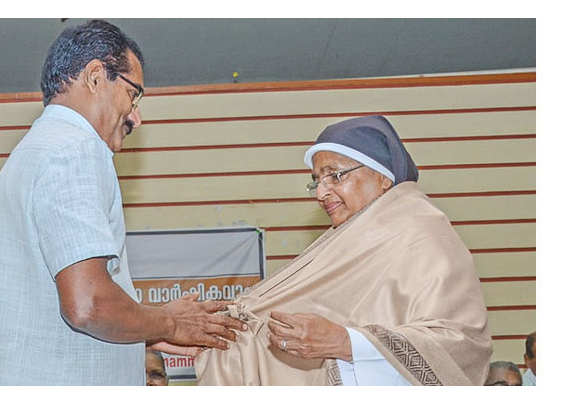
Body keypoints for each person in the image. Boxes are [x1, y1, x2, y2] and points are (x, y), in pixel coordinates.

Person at [0, 19, 245, 385]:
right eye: (134, 94)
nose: (136, 117)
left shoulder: (34, 151)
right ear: (96, 77)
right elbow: (88, 305)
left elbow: (60, 308)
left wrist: (151, 328)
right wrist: (172, 321)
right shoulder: (76, 148)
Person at [196, 115, 493, 385]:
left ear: (383, 177)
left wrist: (345, 343)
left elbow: (460, 344)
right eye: (317, 181)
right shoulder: (341, 241)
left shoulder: (423, 235)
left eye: (335, 175)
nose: (322, 193)